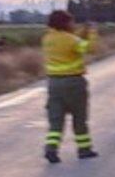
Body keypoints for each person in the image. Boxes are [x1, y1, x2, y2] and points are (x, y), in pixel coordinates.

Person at [41, 11, 97, 163]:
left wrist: (82, 32)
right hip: (73, 83)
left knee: (56, 120)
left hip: (53, 84)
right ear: (64, 23)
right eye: (71, 22)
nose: (73, 25)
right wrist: (91, 32)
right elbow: (90, 48)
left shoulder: (47, 39)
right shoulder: (71, 40)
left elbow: (71, 40)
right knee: (79, 118)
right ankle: (84, 149)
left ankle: (51, 148)